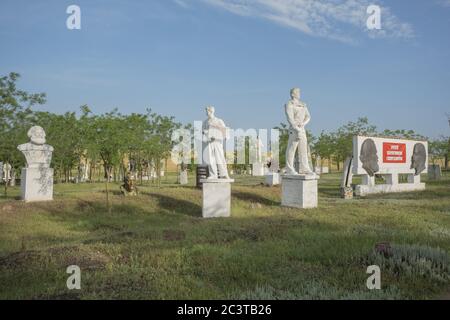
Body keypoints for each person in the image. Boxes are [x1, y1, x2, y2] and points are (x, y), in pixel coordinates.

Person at [285, 88, 314, 175]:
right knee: (292, 149)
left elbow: (308, 116)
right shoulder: (289, 104)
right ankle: (290, 169)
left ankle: (305, 168)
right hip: (293, 129)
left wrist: (303, 124)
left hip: (302, 129)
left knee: (303, 150)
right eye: (297, 92)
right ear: (292, 94)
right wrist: (296, 128)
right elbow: (289, 118)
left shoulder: (303, 104)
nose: (299, 93)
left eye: (299, 92)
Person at [202, 106, 230, 179]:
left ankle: (224, 174)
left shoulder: (218, 120)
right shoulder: (205, 122)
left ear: (211, 111)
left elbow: (224, 130)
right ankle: (213, 175)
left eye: (207, 111)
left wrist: (226, 136)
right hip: (209, 142)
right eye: (206, 111)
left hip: (217, 142)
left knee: (220, 158)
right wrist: (207, 134)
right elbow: (203, 132)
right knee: (210, 159)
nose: (206, 112)